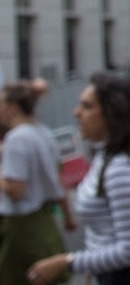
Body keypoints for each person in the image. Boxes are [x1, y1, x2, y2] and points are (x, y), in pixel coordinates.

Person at [26, 74, 130, 285]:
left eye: (87, 106)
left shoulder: (121, 168)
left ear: (114, 112)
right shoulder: (106, 155)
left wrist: (67, 262)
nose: (77, 112)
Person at [0, 80, 75, 284]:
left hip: (21, 226)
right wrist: (68, 215)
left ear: (12, 108)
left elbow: (16, 190)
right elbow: (58, 180)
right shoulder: (43, 133)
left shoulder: (16, 139)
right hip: (44, 219)